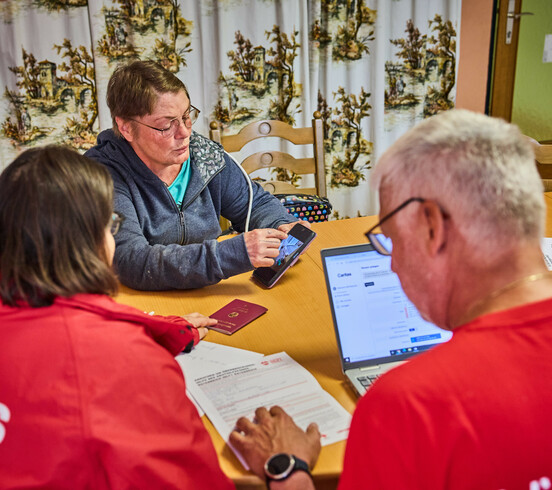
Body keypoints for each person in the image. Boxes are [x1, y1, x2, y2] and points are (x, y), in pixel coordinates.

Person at [229, 109, 552, 488]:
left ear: (433, 227)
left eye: (391, 240)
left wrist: (287, 469)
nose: (394, 266)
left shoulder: (411, 405)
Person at [0, 146, 233, 489]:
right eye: (109, 224)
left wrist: (158, 329)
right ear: (87, 241)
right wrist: (286, 470)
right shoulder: (122, 362)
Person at [85, 59, 307, 291]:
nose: (184, 132)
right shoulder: (101, 176)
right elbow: (132, 261)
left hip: (206, 292)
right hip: (141, 303)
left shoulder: (204, 155)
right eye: (166, 125)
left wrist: (283, 227)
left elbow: (256, 205)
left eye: (186, 116)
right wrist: (232, 254)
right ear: (127, 128)